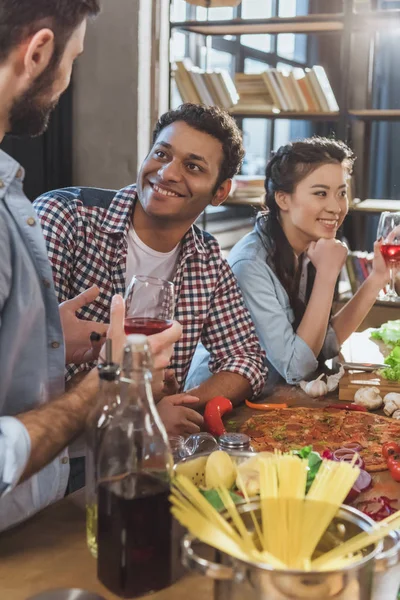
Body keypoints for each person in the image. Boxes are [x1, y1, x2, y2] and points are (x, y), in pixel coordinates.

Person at [0, 0, 181, 530]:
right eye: (73, 58)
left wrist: (38, 334)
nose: (68, 79)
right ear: (39, 51)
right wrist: (103, 387)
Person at [34, 103, 267, 435]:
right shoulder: (63, 219)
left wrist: (179, 405)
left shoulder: (207, 258)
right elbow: (24, 369)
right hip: (46, 456)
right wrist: (143, 416)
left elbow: (246, 359)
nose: (168, 173)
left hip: (141, 462)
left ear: (220, 192)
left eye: (193, 167)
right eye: (161, 154)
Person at [227, 137, 390, 388]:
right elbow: (297, 367)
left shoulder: (309, 247)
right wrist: (327, 274)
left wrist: (378, 276)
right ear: (283, 199)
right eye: (321, 193)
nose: (336, 207)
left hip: (282, 397)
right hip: (227, 408)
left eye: (342, 193)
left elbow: (325, 346)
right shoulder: (250, 264)